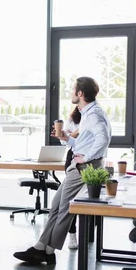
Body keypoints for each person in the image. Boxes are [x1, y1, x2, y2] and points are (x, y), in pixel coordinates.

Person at [14, 77, 111, 265]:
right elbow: (86, 142)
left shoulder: (93, 114)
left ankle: (48, 250)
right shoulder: (89, 112)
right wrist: (68, 139)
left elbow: (104, 139)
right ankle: (42, 247)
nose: (71, 92)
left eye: (73, 89)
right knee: (57, 205)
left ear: (80, 93)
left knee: (65, 210)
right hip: (80, 164)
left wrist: (86, 157)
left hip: (84, 167)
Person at [61, 106, 81, 250]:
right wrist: (76, 133)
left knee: (86, 199)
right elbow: (64, 141)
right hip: (73, 156)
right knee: (70, 199)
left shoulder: (93, 116)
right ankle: (72, 234)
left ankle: (88, 233)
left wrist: (71, 136)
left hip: (88, 158)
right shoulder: (72, 119)